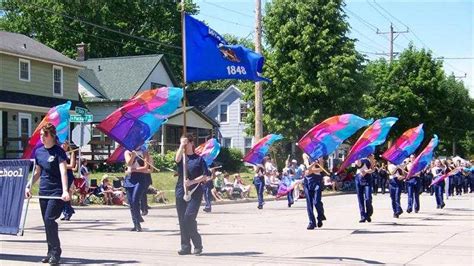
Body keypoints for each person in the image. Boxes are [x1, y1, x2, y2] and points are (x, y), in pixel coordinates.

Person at [25, 123, 71, 264]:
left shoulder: (59, 152)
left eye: (45, 135)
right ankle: (50, 251)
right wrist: (28, 186)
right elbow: (37, 172)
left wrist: (65, 190)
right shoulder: (39, 152)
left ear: (52, 136)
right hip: (43, 191)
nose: (42, 137)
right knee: (46, 222)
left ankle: (56, 253)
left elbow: (63, 171)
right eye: (41, 135)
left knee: (50, 219)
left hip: (56, 191)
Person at [175, 134, 210, 256]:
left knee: (188, 217)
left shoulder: (199, 159)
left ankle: (197, 244)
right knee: (182, 219)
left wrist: (192, 182)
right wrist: (181, 145)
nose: (185, 145)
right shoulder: (182, 158)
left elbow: (205, 175)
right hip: (181, 190)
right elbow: (176, 159)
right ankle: (185, 247)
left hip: (194, 191)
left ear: (191, 143)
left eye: (186, 143)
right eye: (183, 143)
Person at [124, 145, 152, 232]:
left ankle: (138, 218)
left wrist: (133, 170)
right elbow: (128, 163)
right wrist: (133, 156)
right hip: (129, 179)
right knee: (131, 203)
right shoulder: (127, 152)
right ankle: (136, 224)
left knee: (135, 199)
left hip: (140, 179)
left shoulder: (144, 152)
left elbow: (145, 168)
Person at [303, 153, 326, 229]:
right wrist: (314, 164)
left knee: (317, 201)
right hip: (308, 180)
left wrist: (311, 170)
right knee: (309, 203)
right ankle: (311, 222)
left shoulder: (319, 155)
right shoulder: (305, 155)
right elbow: (307, 167)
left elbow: (321, 169)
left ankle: (320, 216)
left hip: (317, 180)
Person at [354, 155, 375, 223]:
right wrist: (357, 157)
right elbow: (358, 165)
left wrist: (367, 171)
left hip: (367, 179)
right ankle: (363, 216)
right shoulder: (358, 157)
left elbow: (373, 169)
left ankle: (368, 213)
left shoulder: (370, 157)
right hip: (359, 178)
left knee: (368, 198)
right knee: (360, 198)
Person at [60, 141, 76, 221]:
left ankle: (67, 212)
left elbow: (72, 165)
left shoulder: (71, 153)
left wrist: (62, 165)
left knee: (66, 193)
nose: (63, 145)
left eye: (65, 144)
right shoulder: (59, 153)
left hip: (68, 175)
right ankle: (68, 211)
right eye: (62, 144)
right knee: (61, 193)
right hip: (61, 174)